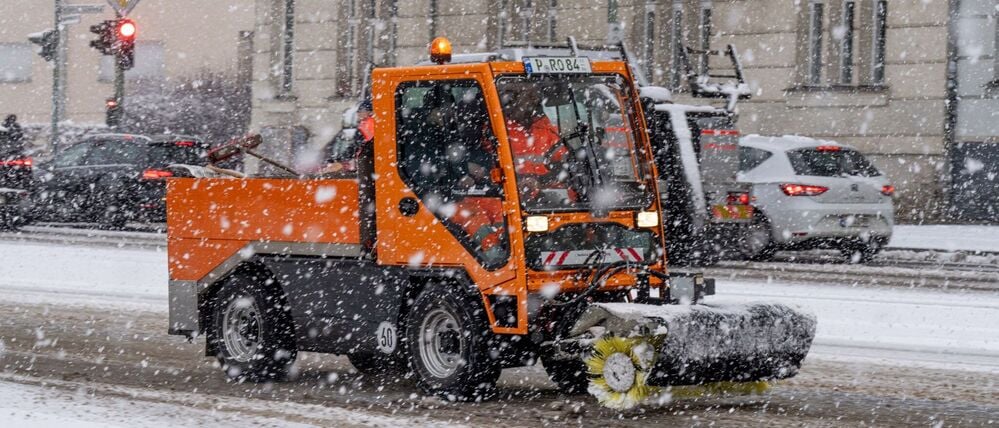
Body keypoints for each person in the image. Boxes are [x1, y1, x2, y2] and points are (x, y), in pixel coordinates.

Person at [320, 98, 374, 175]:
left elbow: (356, 146)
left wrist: (340, 161)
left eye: (361, 111)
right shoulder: (376, 123)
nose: (358, 114)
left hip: (366, 164)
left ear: (369, 112)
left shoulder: (365, 126)